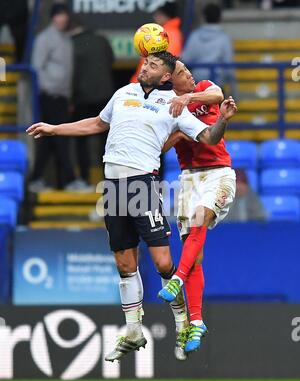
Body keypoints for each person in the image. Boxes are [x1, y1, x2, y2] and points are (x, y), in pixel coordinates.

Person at [26, 51, 237, 362]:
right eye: (146, 62)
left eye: (152, 65)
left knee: (163, 262)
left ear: (165, 76)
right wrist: (55, 128)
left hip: (143, 184)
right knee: (124, 264)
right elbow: (96, 123)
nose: (145, 66)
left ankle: (182, 324)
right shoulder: (123, 93)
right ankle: (134, 331)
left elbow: (207, 136)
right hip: (112, 186)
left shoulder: (173, 104)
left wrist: (222, 120)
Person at [158, 60, 236, 354]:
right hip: (188, 178)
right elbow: (160, 145)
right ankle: (197, 320)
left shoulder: (202, 89)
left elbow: (217, 95)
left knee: (201, 217)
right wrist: (176, 133)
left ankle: (177, 279)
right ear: (170, 82)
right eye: (181, 73)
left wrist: (188, 99)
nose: (189, 74)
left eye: (187, 69)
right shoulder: (166, 108)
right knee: (195, 253)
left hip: (219, 172)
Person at [29, 3, 82, 192]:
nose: (63, 19)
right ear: (53, 18)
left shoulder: (66, 39)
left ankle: (36, 179)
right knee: (60, 138)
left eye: (64, 15)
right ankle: (70, 180)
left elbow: (67, 72)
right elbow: (36, 68)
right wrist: (49, 88)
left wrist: (67, 97)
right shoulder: (45, 38)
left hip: (61, 97)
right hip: (49, 96)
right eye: (59, 15)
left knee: (51, 141)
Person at [71, 21, 115, 185]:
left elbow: (71, 73)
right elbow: (112, 60)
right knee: (107, 141)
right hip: (105, 97)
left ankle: (84, 178)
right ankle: (108, 178)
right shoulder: (102, 40)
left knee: (81, 139)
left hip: (82, 97)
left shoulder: (73, 44)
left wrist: (71, 98)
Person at [181, 3, 237, 98]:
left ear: (204, 17)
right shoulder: (224, 38)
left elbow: (185, 58)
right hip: (217, 86)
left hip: (197, 85)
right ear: (220, 18)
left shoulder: (195, 36)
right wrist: (234, 91)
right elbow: (228, 66)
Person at [130, 2, 183, 84]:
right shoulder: (170, 31)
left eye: (158, 14)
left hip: (152, 83)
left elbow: (162, 62)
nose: (155, 17)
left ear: (166, 16)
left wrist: (139, 83)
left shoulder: (166, 33)